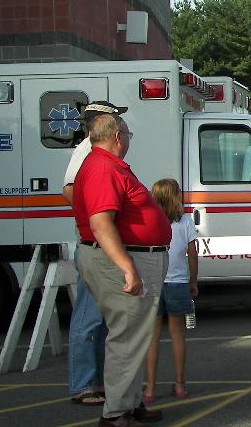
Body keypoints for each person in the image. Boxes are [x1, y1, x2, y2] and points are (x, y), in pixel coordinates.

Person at [73, 113, 171, 426]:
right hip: (126, 258)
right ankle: (116, 412)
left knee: (132, 335)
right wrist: (128, 267)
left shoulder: (104, 165)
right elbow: (101, 224)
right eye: (128, 133)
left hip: (132, 255)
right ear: (118, 136)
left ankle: (127, 403)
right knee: (126, 337)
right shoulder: (103, 167)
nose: (129, 139)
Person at [62, 101, 126, 407]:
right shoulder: (87, 149)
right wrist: (93, 218)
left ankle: (96, 381)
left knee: (100, 320)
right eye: (115, 117)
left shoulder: (96, 151)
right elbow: (70, 188)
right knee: (88, 318)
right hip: (94, 244)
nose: (119, 123)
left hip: (99, 243)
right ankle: (84, 384)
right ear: (100, 120)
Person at [143, 179, 199, 403]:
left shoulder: (150, 219)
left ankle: (149, 389)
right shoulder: (185, 221)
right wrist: (193, 281)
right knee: (178, 335)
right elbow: (192, 254)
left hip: (154, 282)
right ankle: (179, 385)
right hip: (178, 283)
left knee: (152, 338)